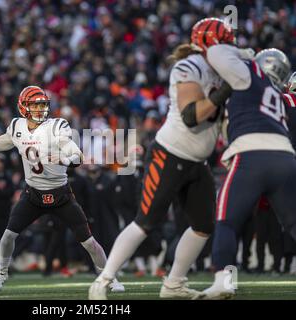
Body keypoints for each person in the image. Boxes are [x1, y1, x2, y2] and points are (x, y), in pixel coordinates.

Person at [89, 17, 234, 300]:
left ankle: (174, 284)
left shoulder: (220, 72)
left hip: (197, 161)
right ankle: (103, 281)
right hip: (169, 154)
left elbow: (224, 119)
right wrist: (227, 89)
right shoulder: (189, 66)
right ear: (210, 46)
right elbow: (192, 116)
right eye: (225, 44)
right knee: (146, 221)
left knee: (204, 226)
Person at [0, 85, 124, 293]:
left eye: (42, 105)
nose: (40, 110)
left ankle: (109, 277)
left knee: (89, 242)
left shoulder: (57, 126)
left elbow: (77, 156)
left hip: (60, 194)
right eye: (35, 105)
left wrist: (65, 158)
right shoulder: (17, 127)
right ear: (24, 107)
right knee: (8, 236)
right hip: (33, 194)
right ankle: (1, 273)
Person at [200, 46, 296, 299]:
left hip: (251, 153)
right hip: (285, 155)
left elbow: (216, 52)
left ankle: (223, 279)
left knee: (227, 221)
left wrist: (243, 52)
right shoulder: (281, 98)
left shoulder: (245, 78)